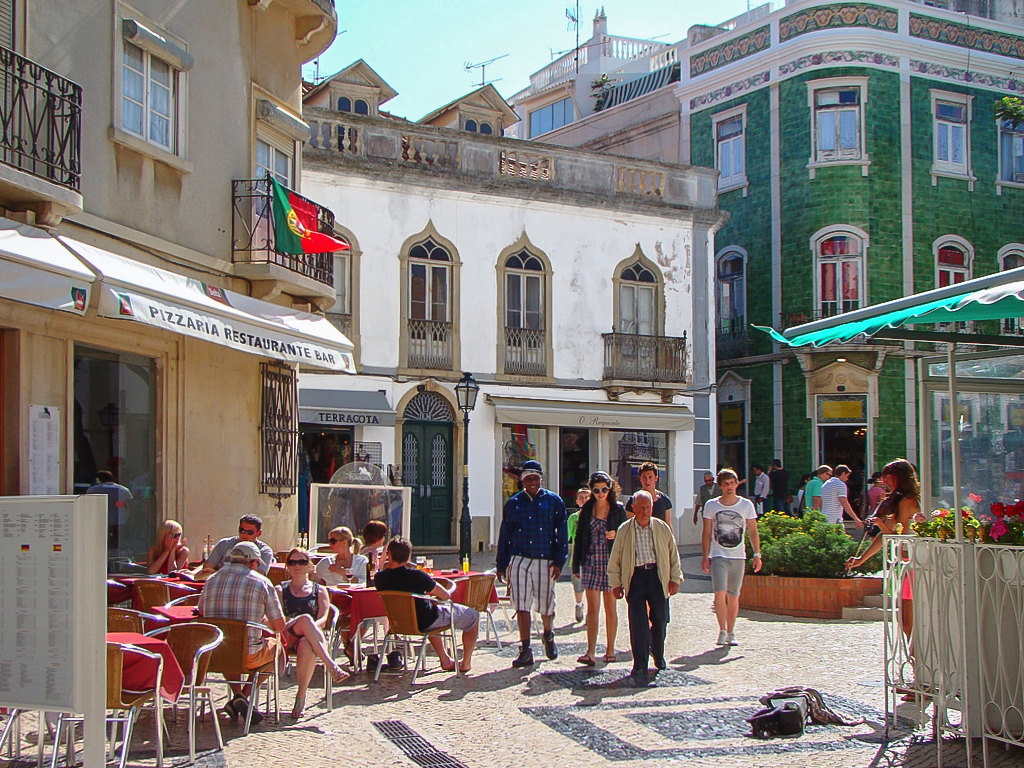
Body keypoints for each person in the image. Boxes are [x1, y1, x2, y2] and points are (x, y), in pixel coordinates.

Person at [198, 542, 285, 726]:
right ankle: (243, 696)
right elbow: (279, 626)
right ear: (253, 563)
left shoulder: (210, 580)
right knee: (278, 649)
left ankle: (238, 697)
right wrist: (262, 622)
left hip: (216, 654)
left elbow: (201, 612)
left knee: (230, 643)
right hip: (249, 656)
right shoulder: (261, 582)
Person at [496, 460, 568, 668]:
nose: (532, 482)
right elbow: (505, 535)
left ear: (541, 479)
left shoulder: (554, 502)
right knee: (521, 604)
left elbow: (562, 534)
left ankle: (548, 634)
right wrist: (502, 564)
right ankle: (525, 648)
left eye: (535, 478)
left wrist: (559, 561)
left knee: (546, 604)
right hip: (520, 558)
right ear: (522, 481)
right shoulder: (513, 503)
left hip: (545, 558)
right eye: (528, 478)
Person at [607, 491, 682, 683]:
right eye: (640, 508)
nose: (644, 511)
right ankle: (639, 663)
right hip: (636, 577)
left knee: (660, 619)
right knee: (637, 622)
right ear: (633, 508)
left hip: (658, 576)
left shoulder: (661, 527)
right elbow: (615, 559)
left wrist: (675, 578)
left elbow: (673, 554)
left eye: (647, 508)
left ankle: (657, 652)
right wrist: (616, 584)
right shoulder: (625, 530)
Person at [374, 537, 478, 673]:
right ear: (408, 556)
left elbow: (381, 572)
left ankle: (445, 660)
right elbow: (445, 595)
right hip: (425, 621)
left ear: (390, 555)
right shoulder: (418, 575)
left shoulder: (380, 578)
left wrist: (381, 562)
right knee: (473, 616)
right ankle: (466, 663)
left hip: (399, 623)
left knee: (431, 612)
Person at [846, 459, 921, 645]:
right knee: (904, 616)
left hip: (911, 563)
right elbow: (885, 536)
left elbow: (898, 535)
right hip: (904, 563)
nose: (885, 483)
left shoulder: (907, 501)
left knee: (908, 618)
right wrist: (862, 558)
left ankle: (915, 655)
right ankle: (913, 654)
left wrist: (880, 524)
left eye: (888, 478)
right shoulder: (900, 500)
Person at [277, 547, 347, 718]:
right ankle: (330, 665)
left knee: (307, 645)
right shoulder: (280, 590)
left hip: (309, 637)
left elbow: (324, 619)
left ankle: (300, 699)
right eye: (292, 562)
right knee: (305, 620)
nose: (297, 566)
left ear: (309, 565)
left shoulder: (320, 591)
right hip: (286, 634)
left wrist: (309, 630)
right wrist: (305, 624)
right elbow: (277, 618)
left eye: (301, 562)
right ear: (287, 566)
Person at [702, 468, 761, 646]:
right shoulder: (711, 505)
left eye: (732, 483)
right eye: (726, 484)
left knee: (734, 595)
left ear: (736, 484)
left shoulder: (746, 505)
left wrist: (757, 553)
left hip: (738, 556)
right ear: (720, 486)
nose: (729, 486)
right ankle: (721, 630)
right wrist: (705, 556)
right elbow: (706, 533)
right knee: (719, 593)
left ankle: (731, 631)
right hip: (719, 555)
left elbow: (753, 531)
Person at [572, 472, 626, 666]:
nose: (601, 493)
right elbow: (579, 537)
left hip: (610, 564)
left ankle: (610, 649)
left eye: (604, 489)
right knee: (593, 609)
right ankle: (591, 651)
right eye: (596, 490)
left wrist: (616, 534)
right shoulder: (587, 508)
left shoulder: (618, 509)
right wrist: (576, 562)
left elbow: (626, 536)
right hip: (591, 562)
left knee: (611, 608)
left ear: (610, 489)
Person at [199, 515, 275, 577]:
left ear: (259, 533)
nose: (244, 535)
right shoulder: (224, 544)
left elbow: (260, 575)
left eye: (249, 532)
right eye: (242, 530)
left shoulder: (265, 551)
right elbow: (207, 568)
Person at [86, 470, 132, 549]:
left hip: (100, 519)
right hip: (119, 519)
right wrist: (128, 518)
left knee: (101, 539)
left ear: (98, 479)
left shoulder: (93, 490)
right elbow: (130, 506)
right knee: (117, 539)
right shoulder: (123, 490)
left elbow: (88, 505)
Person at [566, 487, 591, 624]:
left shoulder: (595, 516)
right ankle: (579, 604)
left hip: (592, 558)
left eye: (586, 497)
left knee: (592, 588)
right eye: (581, 497)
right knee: (578, 586)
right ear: (576, 501)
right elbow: (566, 536)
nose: (584, 500)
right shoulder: (573, 518)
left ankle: (590, 613)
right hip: (578, 558)